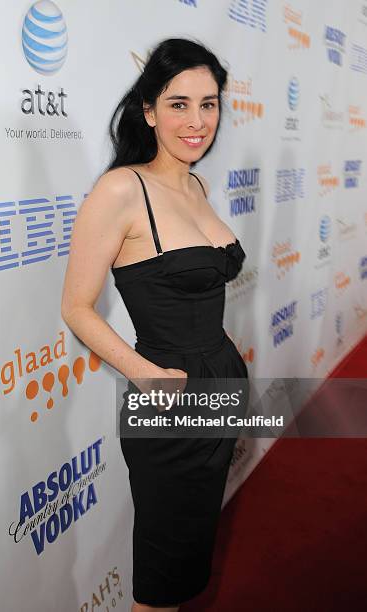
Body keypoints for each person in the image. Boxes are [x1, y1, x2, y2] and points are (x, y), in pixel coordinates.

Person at [61, 38, 248, 612]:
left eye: (209, 104)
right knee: (162, 577)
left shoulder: (196, 185)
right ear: (148, 111)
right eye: (179, 104)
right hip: (168, 400)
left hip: (220, 383)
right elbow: (76, 307)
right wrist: (147, 376)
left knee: (189, 557)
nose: (197, 121)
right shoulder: (121, 189)